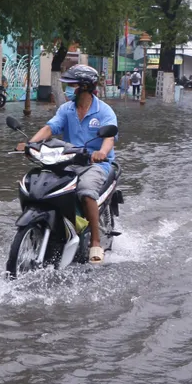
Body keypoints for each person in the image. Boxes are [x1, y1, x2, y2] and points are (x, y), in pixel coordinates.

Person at [16, 65, 118, 264]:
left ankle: (95, 242)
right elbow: (50, 128)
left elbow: (109, 139)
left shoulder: (104, 111)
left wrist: (101, 153)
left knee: (86, 192)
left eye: (71, 85)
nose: (68, 89)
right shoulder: (67, 109)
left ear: (85, 87)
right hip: (68, 160)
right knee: (42, 184)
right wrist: (30, 145)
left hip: (94, 165)